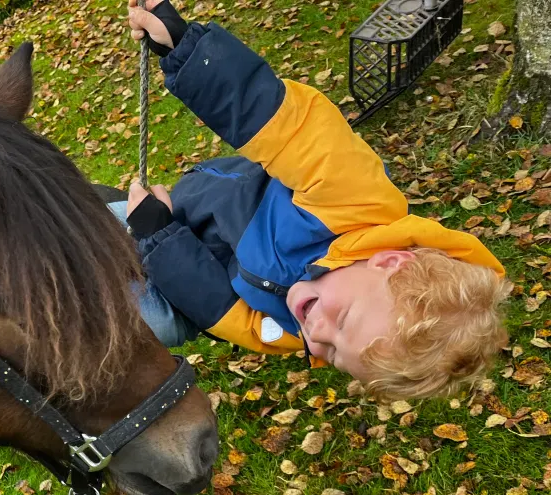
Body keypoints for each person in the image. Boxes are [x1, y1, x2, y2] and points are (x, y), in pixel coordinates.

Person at [111, 0, 511, 399]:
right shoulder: (352, 196)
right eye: (344, 319)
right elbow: (278, 121)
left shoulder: (305, 325)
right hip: (205, 205)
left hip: (178, 269)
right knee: (81, 224)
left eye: (333, 354)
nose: (315, 335)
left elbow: (221, 310)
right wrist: (185, 49)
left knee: (126, 325)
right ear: (390, 263)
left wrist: (158, 237)